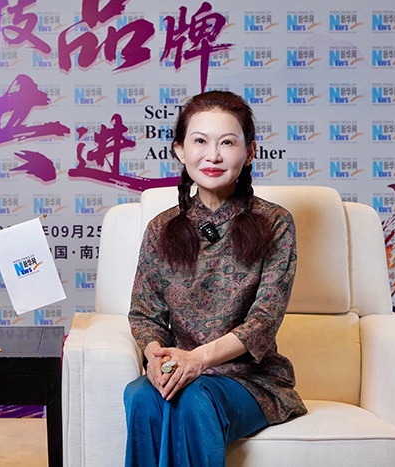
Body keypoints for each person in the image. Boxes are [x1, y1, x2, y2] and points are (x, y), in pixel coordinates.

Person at [124, 91, 307, 467]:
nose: (213, 155)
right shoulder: (161, 228)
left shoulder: (275, 223)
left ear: (250, 152)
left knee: (195, 398)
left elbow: (263, 322)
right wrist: (155, 358)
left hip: (251, 381)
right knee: (140, 395)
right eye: (200, 141)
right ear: (179, 150)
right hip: (183, 370)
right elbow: (145, 315)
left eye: (227, 142)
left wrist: (198, 360)